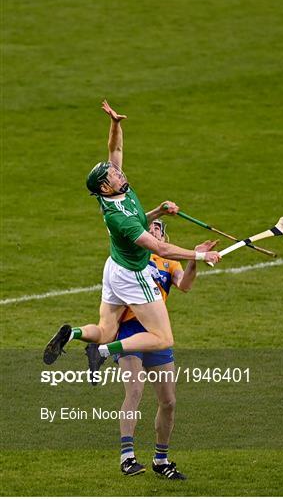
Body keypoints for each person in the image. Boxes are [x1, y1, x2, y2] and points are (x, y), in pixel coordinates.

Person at [43, 99, 220, 368]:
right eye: (112, 174)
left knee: (105, 329)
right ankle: (102, 352)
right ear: (104, 188)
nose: (117, 172)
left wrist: (115, 124)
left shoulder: (117, 191)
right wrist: (199, 254)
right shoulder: (120, 219)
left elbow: (115, 148)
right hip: (131, 274)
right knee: (162, 338)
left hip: (113, 267)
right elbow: (159, 249)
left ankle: (73, 334)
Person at [87, 219, 217, 478]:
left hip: (157, 336)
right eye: (150, 227)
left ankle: (161, 460)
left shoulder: (170, 263)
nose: (154, 229)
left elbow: (185, 285)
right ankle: (127, 457)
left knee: (168, 401)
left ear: (164, 237)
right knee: (134, 390)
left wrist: (195, 259)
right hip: (130, 333)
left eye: (158, 228)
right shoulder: (131, 257)